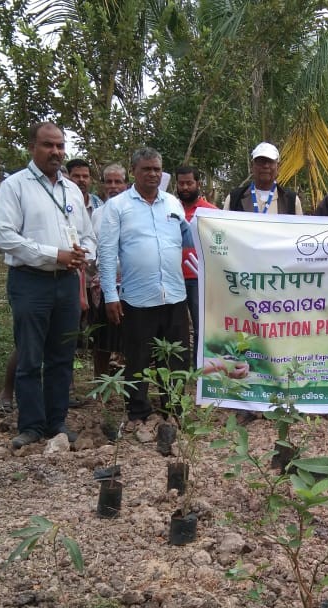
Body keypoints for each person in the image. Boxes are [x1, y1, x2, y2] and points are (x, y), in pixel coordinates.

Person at [0, 122, 96, 449]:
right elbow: (4, 236)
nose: (56, 152)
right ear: (32, 147)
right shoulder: (15, 186)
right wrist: (56, 254)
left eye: (60, 146)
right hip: (30, 282)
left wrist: (83, 253)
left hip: (66, 283)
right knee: (30, 355)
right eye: (48, 145)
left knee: (62, 355)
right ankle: (31, 425)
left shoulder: (71, 190)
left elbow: (89, 235)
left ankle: (57, 422)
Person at [97, 148, 191, 422]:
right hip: (137, 299)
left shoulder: (173, 203)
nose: (152, 174)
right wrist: (110, 296)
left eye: (157, 169)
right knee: (137, 357)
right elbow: (106, 253)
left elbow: (188, 240)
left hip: (174, 294)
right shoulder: (117, 207)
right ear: (134, 171)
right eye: (147, 169)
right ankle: (138, 413)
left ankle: (173, 408)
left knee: (175, 357)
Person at [87, 163, 129, 378]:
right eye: (109, 182)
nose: (113, 186)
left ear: (126, 184)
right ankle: (99, 381)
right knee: (103, 337)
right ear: (102, 185)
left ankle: (133, 383)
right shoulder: (98, 214)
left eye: (118, 182)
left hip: (131, 282)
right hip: (104, 283)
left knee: (131, 337)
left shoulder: (134, 209)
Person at [175, 165, 217, 362]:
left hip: (200, 278)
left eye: (189, 183)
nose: (185, 187)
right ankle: (179, 367)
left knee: (202, 325)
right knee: (177, 327)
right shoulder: (170, 208)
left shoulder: (211, 212)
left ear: (197, 183)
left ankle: (200, 368)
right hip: (172, 277)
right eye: (181, 183)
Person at [224, 142, 304, 215]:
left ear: (278, 167)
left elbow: (299, 229)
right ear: (252, 166)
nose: (266, 166)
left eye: (270, 161)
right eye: (261, 161)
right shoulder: (234, 199)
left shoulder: (291, 201)